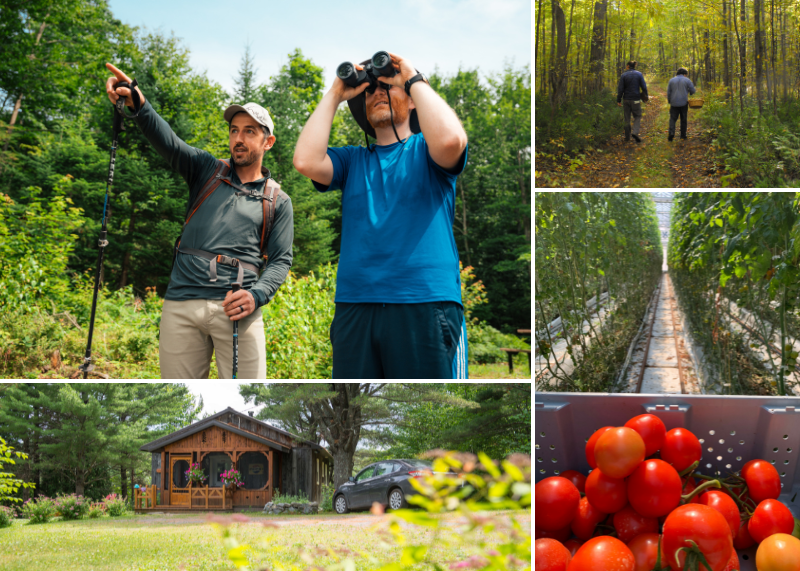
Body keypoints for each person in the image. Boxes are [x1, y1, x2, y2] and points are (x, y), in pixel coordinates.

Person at [104, 63, 293, 379]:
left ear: (267, 142)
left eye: (250, 131)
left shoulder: (277, 200)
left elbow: (280, 261)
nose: (239, 138)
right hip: (181, 304)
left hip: (239, 310)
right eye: (234, 130)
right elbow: (170, 143)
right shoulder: (207, 170)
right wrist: (138, 102)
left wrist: (257, 295)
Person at [292, 52, 469, 379]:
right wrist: (334, 95)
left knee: (427, 403)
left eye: (387, 86)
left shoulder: (427, 152)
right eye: (369, 89)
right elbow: (305, 160)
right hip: (355, 306)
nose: (376, 92)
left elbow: (451, 139)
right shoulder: (352, 161)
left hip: (424, 303)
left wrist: (411, 77)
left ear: (414, 99)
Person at [616, 60, 649, 143]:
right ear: (635, 66)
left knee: (627, 118)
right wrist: (646, 96)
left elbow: (620, 89)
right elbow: (644, 86)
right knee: (637, 116)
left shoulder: (623, 75)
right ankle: (635, 132)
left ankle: (627, 137)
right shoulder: (639, 74)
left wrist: (619, 99)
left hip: (626, 99)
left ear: (627, 66)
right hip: (636, 99)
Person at [666, 68, 696, 141]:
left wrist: (670, 101)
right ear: (685, 74)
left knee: (673, 119)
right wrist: (689, 92)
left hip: (674, 103)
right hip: (683, 103)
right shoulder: (687, 80)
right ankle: (683, 135)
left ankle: (671, 133)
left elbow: (668, 92)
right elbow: (693, 90)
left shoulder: (671, 80)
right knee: (683, 119)